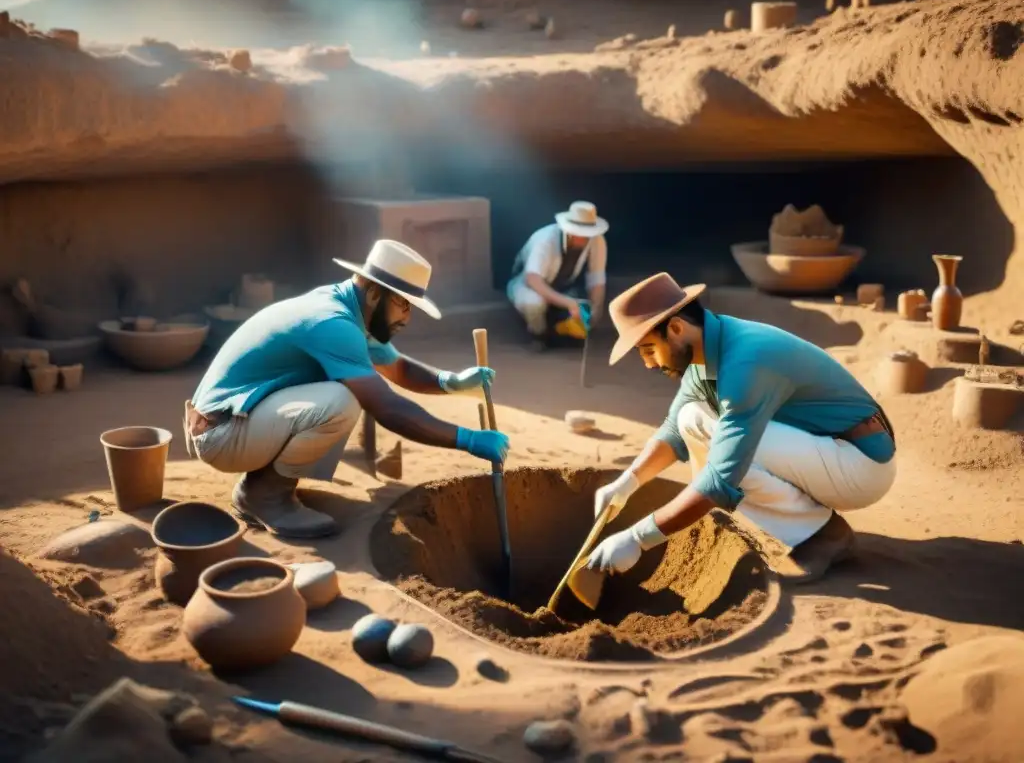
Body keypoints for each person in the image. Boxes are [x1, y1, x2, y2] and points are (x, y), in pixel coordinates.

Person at [183, 239, 509, 539]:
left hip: (232, 422)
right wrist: (468, 440)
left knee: (346, 384)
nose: (407, 318)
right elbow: (388, 408)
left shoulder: (347, 309)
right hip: (220, 436)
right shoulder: (333, 323)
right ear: (374, 294)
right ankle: (265, 495)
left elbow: (397, 367)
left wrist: (449, 382)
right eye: (403, 304)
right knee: (343, 399)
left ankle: (266, 483)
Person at [585, 272, 897, 583]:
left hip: (860, 465)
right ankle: (803, 524)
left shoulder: (745, 362)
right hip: (825, 452)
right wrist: (627, 482)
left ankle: (823, 535)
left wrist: (638, 538)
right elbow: (675, 429)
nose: (649, 364)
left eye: (649, 349)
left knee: (726, 450)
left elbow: (722, 474)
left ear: (676, 328)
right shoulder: (707, 345)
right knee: (692, 418)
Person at [506, 200, 608, 351]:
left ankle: (561, 332)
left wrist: (595, 309)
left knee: (584, 309)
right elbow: (532, 279)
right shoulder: (546, 239)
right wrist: (568, 303)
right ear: (569, 230)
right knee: (534, 303)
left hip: (563, 287)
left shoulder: (597, 240)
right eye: (580, 233)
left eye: (588, 234)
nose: (584, 238)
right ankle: (538, 336)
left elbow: (596, 278)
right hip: (527, 285)